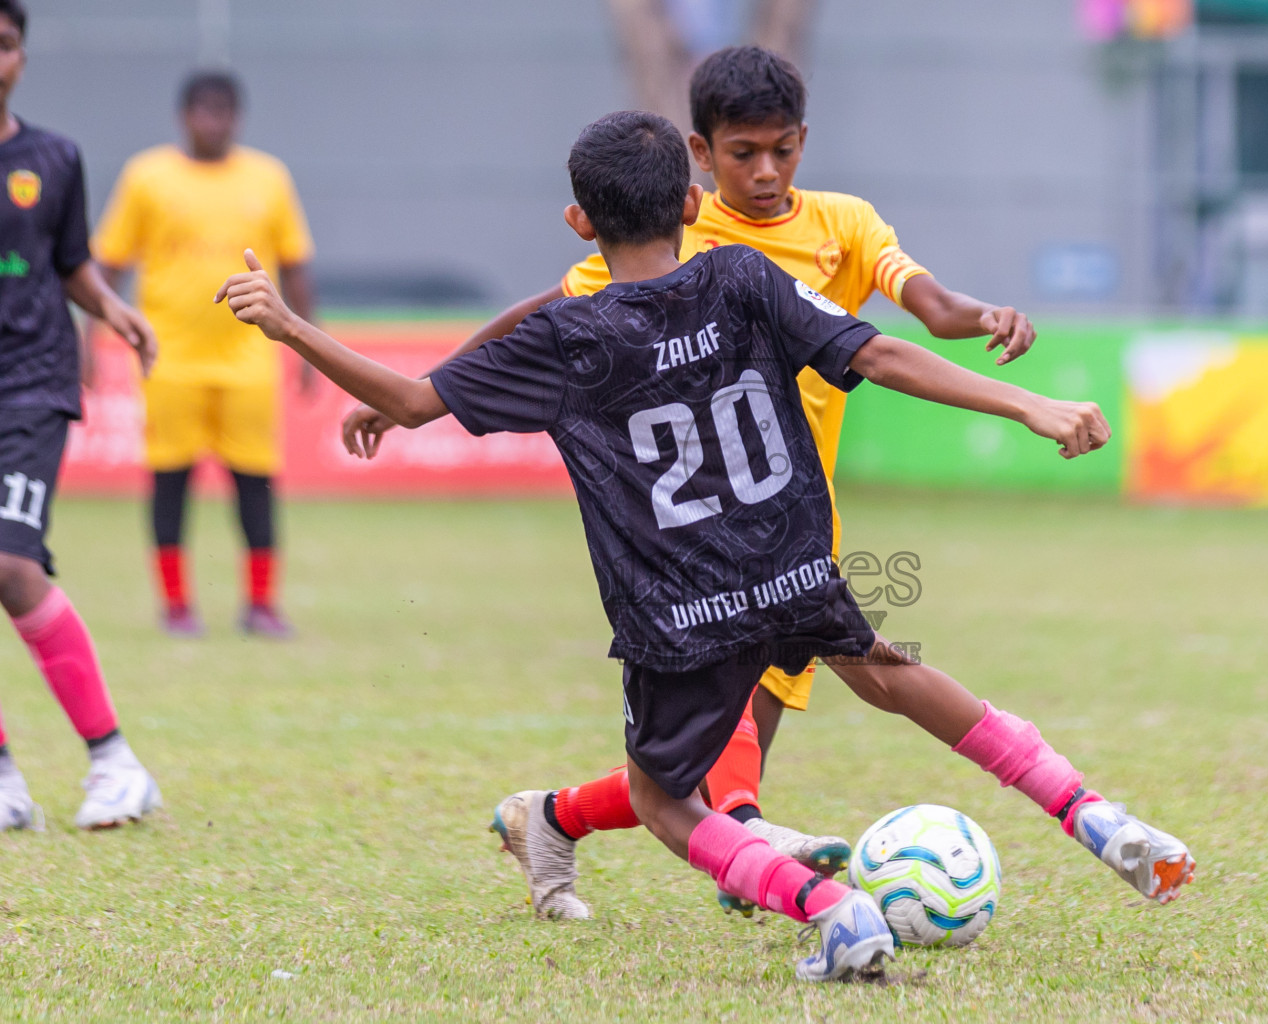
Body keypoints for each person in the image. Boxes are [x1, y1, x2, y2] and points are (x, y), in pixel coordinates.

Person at [218, 110, 1194, 981]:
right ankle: (1093, 814)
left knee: (661, 796)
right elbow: (880, 352)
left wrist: (289, 324)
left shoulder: (567, 334)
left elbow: (411, 400)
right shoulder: (739, 273)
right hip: (790, 562)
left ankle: (829, 908)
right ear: (692, 200)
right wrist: (1027, 402)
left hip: (679, 609)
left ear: (578, 224)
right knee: (892, 673)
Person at [339, 46, 1046, 910]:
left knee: (695, 755)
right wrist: (433, 388)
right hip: (688, 528)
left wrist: (990, 320)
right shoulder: (677, 233)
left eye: (782, 149)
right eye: (743, 152)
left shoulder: (844, 224)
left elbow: (926, 314)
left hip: (790, 517)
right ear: (699, 161)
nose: (766, 170)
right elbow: (545, 314)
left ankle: (559, 817)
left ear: (803, 142)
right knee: (728, 719)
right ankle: (755, 835)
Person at [0, 0, 163, 831]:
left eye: (4, 45)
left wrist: (112, 310)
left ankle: (114, 762)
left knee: (11, 567)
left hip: (28, 380)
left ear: (21, 57)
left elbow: (71, 264)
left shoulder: (51, 158)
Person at [92, 69, 316, 638]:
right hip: (168, 360)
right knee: (170, 482)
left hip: (249, 361)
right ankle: (176, 607)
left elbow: (295, 267)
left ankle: (261, 605)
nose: (211, 121)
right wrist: (86, 339)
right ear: (183, 116)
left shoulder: (268, 178)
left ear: (235, 118)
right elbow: (106, 267)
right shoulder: (147, 176)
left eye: (222, 111)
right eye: (202, 111)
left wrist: (309, 349)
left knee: (255, 484)